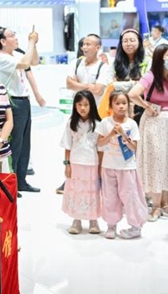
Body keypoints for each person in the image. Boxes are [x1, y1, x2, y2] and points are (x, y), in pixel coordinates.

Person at [129, 44, 168, 221]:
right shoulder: (151, 76)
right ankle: (154, 206)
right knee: (155, 161)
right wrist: (147, 105)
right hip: (153, 122)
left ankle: (166, 204)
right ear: (159, 57)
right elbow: (133, 94)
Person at [0, 26, 45, 193]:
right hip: (12, 103)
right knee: (15, 143)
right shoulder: (1, 58)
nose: (15, 37)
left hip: (24, 101)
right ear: (2, 41)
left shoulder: (15, 54)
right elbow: (24, 63)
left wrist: (34, 44)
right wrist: (30, 41)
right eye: (11, 35)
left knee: (24, 143)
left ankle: (21, 181)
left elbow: (33, 62)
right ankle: (11, 182)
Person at [59, 34, 111, 194]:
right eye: (84, 44)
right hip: (78, 113)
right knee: (74, 143)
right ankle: (72, 175)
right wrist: (89, 85)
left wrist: (79, 86)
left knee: (98, 147)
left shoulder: (104, 67)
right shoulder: (76, 63)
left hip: (97, 115)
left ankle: (100, 178)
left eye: (89, 44)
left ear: (98, 47)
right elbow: (68, 84)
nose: (85, 47)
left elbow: (99, 89)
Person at [96, 91, 147, 239]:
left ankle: (136, 226)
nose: (121, 106)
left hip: (127, 168)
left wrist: (124, 135)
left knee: (130, 196)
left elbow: (133, 148)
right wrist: (111, 134)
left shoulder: (132, 124)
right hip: (108, 166)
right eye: (117, 103)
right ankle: (111, 225)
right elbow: (99, 143)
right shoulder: (105, 122)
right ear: (111, 105)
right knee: (110, 196)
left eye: (124, 103)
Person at [61, 90, 103, 235]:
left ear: (92, 105)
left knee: (93, 191)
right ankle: (76, 220)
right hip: (76, 163)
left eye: (86, 104)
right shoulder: (70, 123)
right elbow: (67, 145)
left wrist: (101, 167)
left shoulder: (98, 124)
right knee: (77, 191)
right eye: (79, 104)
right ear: (75, 106)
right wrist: (67, 164)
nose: (83, 108)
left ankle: (93, 220)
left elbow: (101, 148)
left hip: (92, 163)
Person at [112, 29, 148, 94]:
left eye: (132, 40)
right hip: (120, 101)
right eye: (125, 41)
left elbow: (146, 85)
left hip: (140, 100)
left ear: (139, 42)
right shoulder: (115, 62)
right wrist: (134, 83)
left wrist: (119, 85)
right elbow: (111, 85)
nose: (128, 44)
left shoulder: (148, 61)